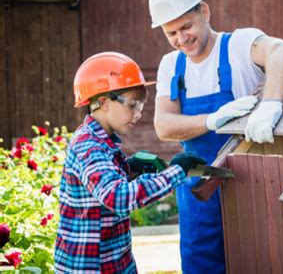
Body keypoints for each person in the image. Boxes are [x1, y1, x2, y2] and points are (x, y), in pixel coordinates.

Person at [149, 0, 283, 273]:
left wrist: (271, 103)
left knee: (259, 259)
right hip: (199, 188)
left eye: (186, 27)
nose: (181, 39)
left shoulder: (239, 45)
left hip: (252, 183)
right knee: (202, 265)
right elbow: (164, 125)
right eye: (172, 33)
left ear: (204, 12)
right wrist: (212, 120)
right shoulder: (171, 65)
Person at [54, 52, 206, 273]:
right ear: (104, 102)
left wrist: (130, 167)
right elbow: (117, 198)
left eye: (141, 107)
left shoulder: (103, 141)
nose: (138, 114)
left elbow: (104, 182)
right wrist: (176, 172)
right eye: (132, 105)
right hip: (89, 266)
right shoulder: (89, 145)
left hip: (115, 260)